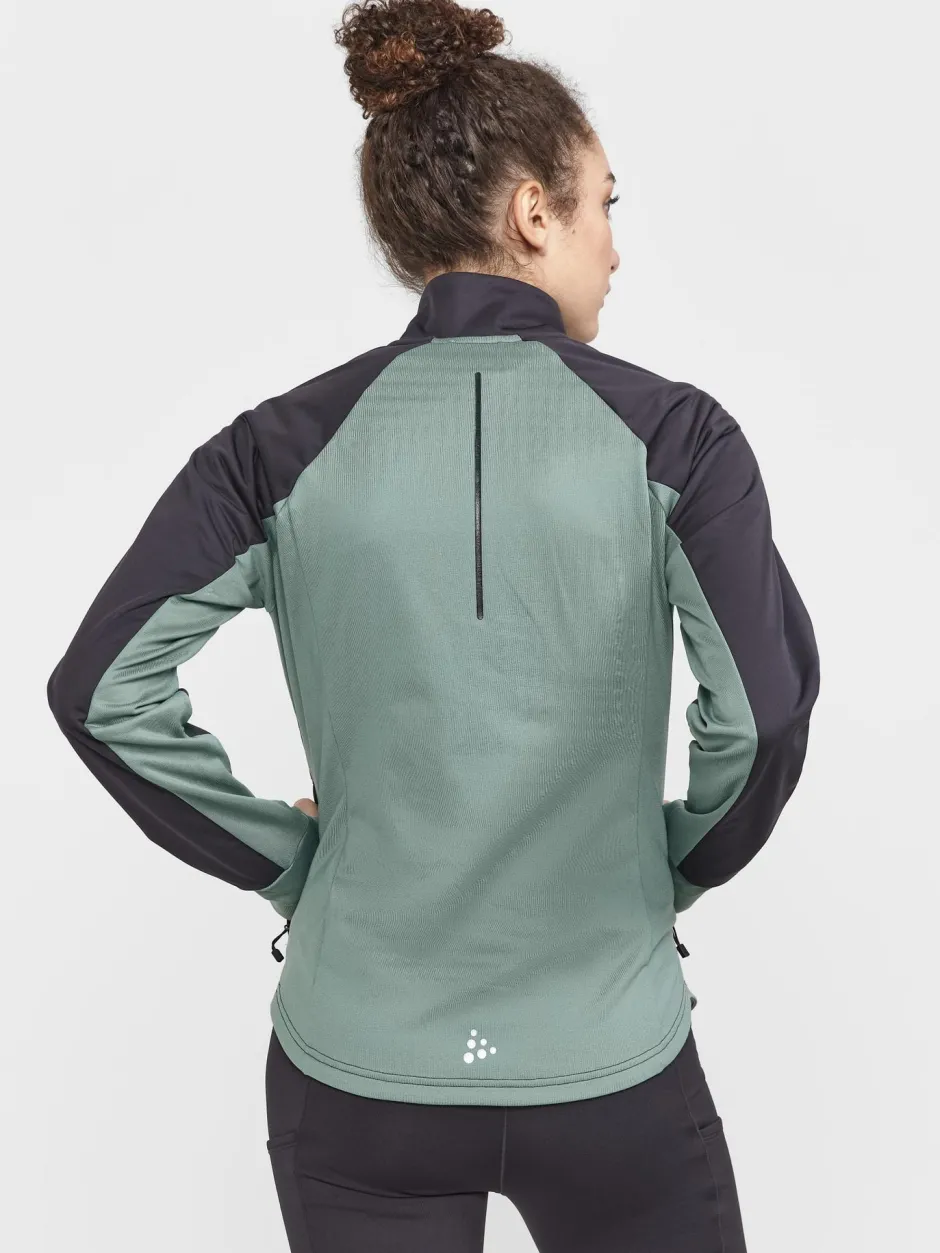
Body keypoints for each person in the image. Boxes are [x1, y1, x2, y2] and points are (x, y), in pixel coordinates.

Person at [46, 0, 820, 1249]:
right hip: (610, 1063)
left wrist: (291, 861)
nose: (615, 247)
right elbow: (766, 709)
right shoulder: (679, 438)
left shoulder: (274, 449)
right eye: (604, 204)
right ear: (533, 212)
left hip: (355, 1073)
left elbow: (101, 692)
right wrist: (671, 862)